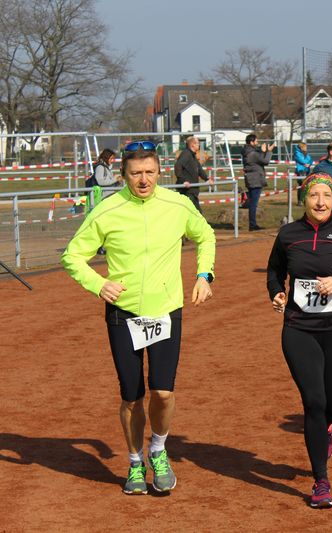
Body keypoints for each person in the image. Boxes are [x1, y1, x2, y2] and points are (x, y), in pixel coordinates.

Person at [61, 140, 216, 496]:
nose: (143, 180)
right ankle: (134, 462)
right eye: (135, 173)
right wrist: (98, 284)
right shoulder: (107, 210)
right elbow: (72, 256)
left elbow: (205, 236)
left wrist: (204, 275)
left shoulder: (177, 205)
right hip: (123, 313)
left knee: (163, 392)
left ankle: (158, 450)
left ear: (160, 172)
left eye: (149, 172)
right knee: (132, 396)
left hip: (165, 309)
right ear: (123, 175)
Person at [267, 172, 332, 508]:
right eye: (314, 195)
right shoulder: (288, 235)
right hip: (299, 329)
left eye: (326, 195)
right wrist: (277, 293)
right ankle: (321, 481)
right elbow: (274, 271)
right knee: (314, 401)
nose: (320, 202)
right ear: (304, 199)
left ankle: (327, 427)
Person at [241, 134, 275, 231]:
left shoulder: (248, 152)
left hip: (251, 179)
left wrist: (262, 151)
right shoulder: (252, 154)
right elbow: (265, 161)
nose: (257, 143)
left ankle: (252, 223)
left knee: (252, 202)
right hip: (255, 180)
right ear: (251, 142)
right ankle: (252, 225)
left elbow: (258, 159)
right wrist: (269, 151)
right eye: (256, 141)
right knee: (253, 203)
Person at [174, 136, 213, 213]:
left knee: (195, 214)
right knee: (196, 214)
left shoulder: (193, 156)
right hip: (187, 191)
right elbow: (178, 166)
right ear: (192, 145)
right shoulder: (186, 154)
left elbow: (199, 169)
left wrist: (207, 179)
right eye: (197, 143)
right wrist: (183, 181)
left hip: (193, 191)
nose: (199, 145)